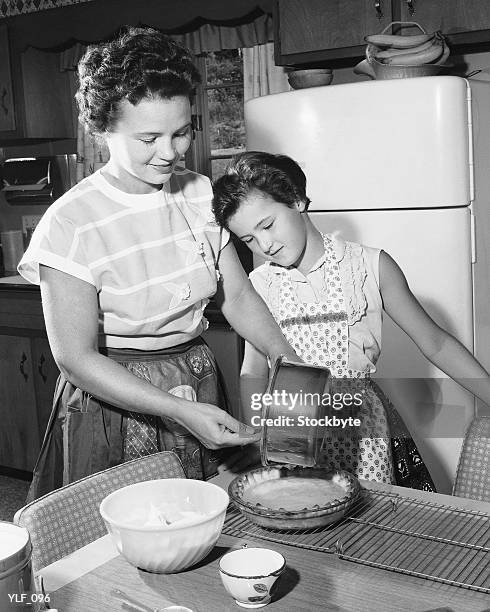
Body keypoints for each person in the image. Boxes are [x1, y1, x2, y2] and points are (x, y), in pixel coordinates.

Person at [17, 29, 299, 501]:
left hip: (197, 375)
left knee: (210, 521)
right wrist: (174, 408)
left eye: (182, 131)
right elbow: (75, 357)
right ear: (103, 128)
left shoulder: (201, 193)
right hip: (116, 401)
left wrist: (285, 356)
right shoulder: (71, 223)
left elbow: (239, 296)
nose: (170, 151)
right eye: (149, 137)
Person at [212, 151, 490, 490]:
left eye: (267, 226)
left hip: (364, 434)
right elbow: (253, 371)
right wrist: (260, 439)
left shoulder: (369, 267)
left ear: (297, 200)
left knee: (371, 530)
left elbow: (437, 343)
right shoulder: (259, 286)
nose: (265, 245)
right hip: (294, 436)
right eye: (249, 240)